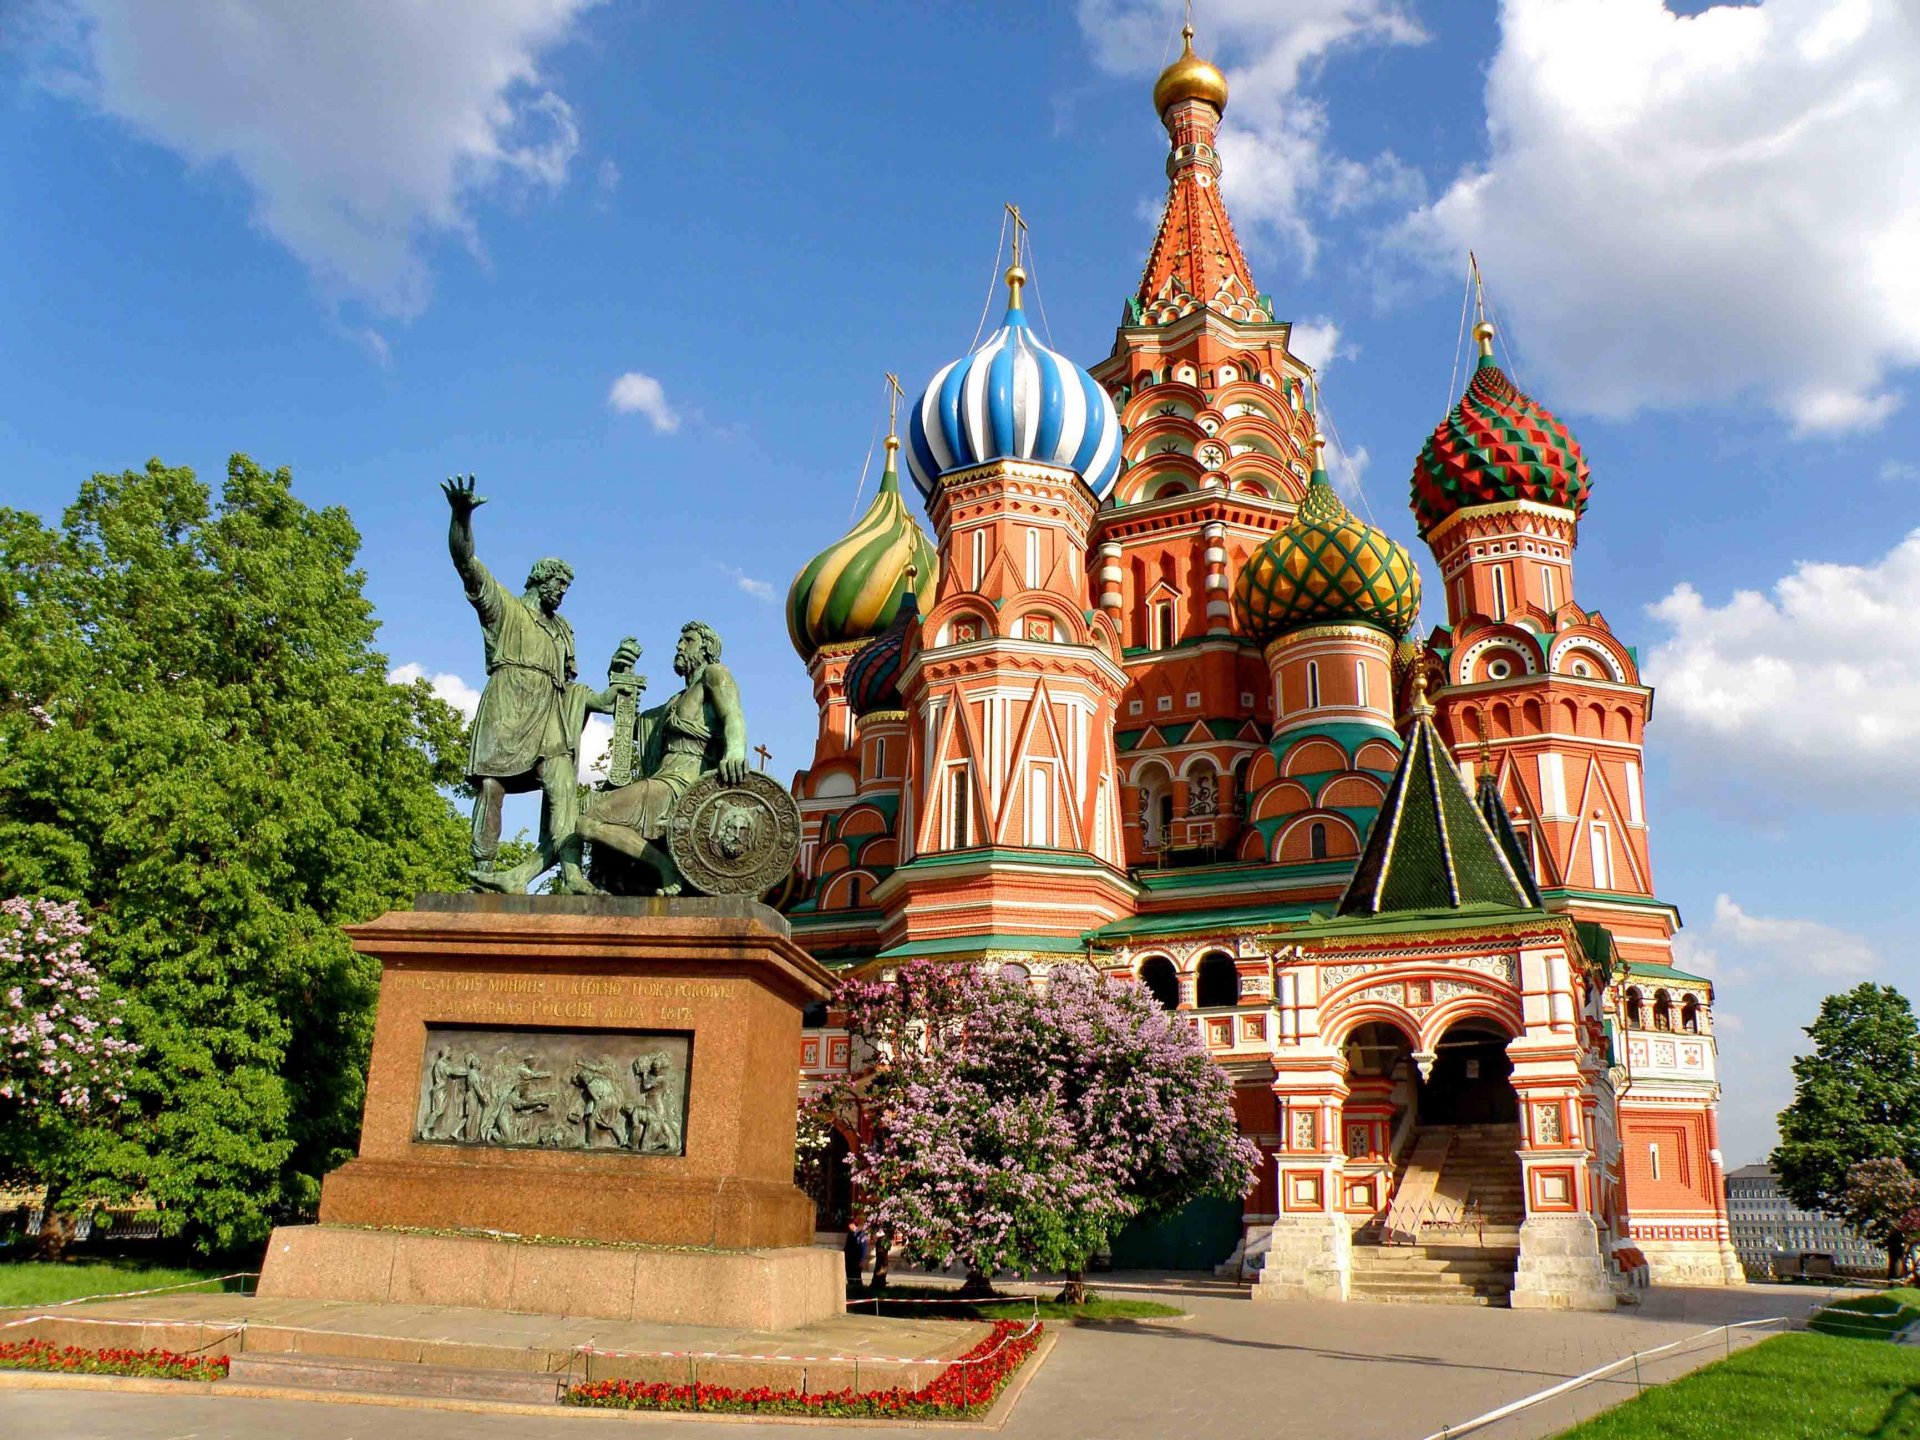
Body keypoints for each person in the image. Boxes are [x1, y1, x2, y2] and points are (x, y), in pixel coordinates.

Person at [439, 475, 640, 894]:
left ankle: (570, 872)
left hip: (549, 717)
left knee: (563, 785)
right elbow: (466, 563)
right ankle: (483, 869)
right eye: (558, 583)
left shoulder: (563, 630)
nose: (562, 591)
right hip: (507, 705)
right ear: (537, 579)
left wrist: (604, 697)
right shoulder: (505, 609)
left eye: (567, 586)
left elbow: (571, 691)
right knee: (492, 786)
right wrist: (461, 516)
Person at [577, 620, 748, 894]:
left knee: (588, 822)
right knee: (586, 815)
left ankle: (665, 868)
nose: (680, 646)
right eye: (680, 641)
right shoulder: (674, 702)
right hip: (661, 781)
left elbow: (733, 715)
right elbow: (632, 727)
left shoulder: (714, 674)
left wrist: (736, 751)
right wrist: (619, 679)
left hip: (682, 786)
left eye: (688, 640)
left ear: (706, 649)